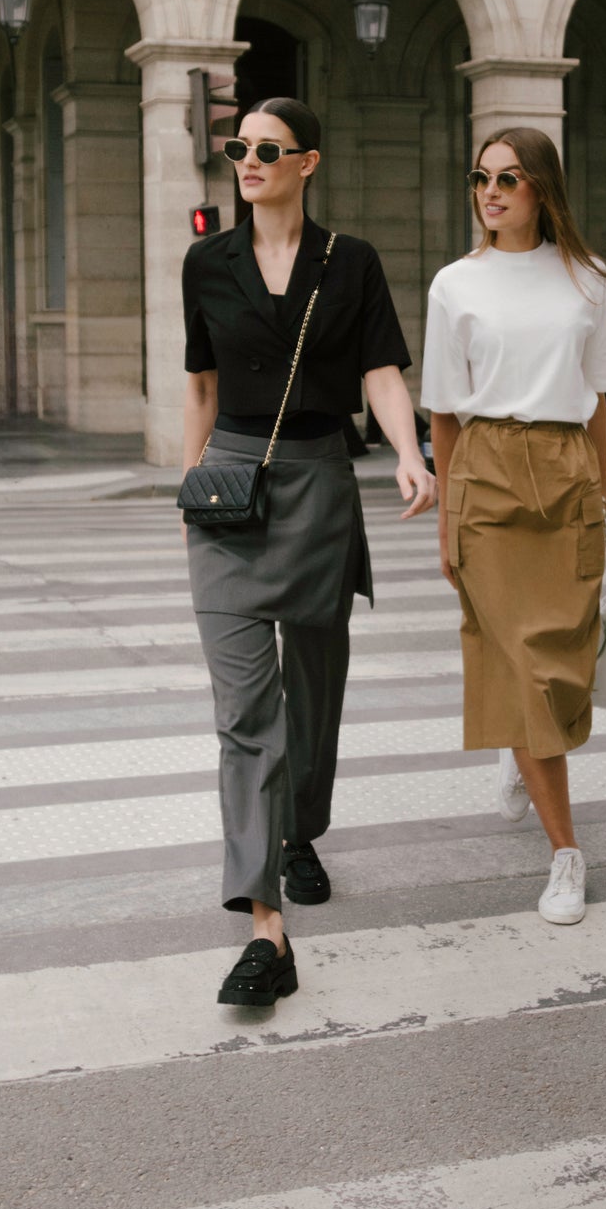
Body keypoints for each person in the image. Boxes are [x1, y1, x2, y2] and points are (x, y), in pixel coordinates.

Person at [182, 97, 435, 1007]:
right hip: (231, 491)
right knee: (245, 713)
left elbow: (378, 372)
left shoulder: (350, 262)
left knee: (313, 688)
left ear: (306, 162)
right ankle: (265, 924)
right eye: (237, 147)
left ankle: (301, 830)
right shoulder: (206, 262)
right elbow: (202, 381)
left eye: (265, 149)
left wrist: (408, 451)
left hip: (319, 478)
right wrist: (191, 484)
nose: (246, 160)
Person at [422, 125, 606, 927]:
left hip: (567, 470)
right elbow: (443, 410)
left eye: (508, 177)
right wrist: (446, 519)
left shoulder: (588, 278)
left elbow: (599, 396)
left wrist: (603, 496)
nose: (490, 190)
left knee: (559, 666)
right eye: (479, 176)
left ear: (541, 186)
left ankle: (522, 751)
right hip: (487, 470)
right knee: (529, 669)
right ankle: (565, 854)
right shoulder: (454, 284)